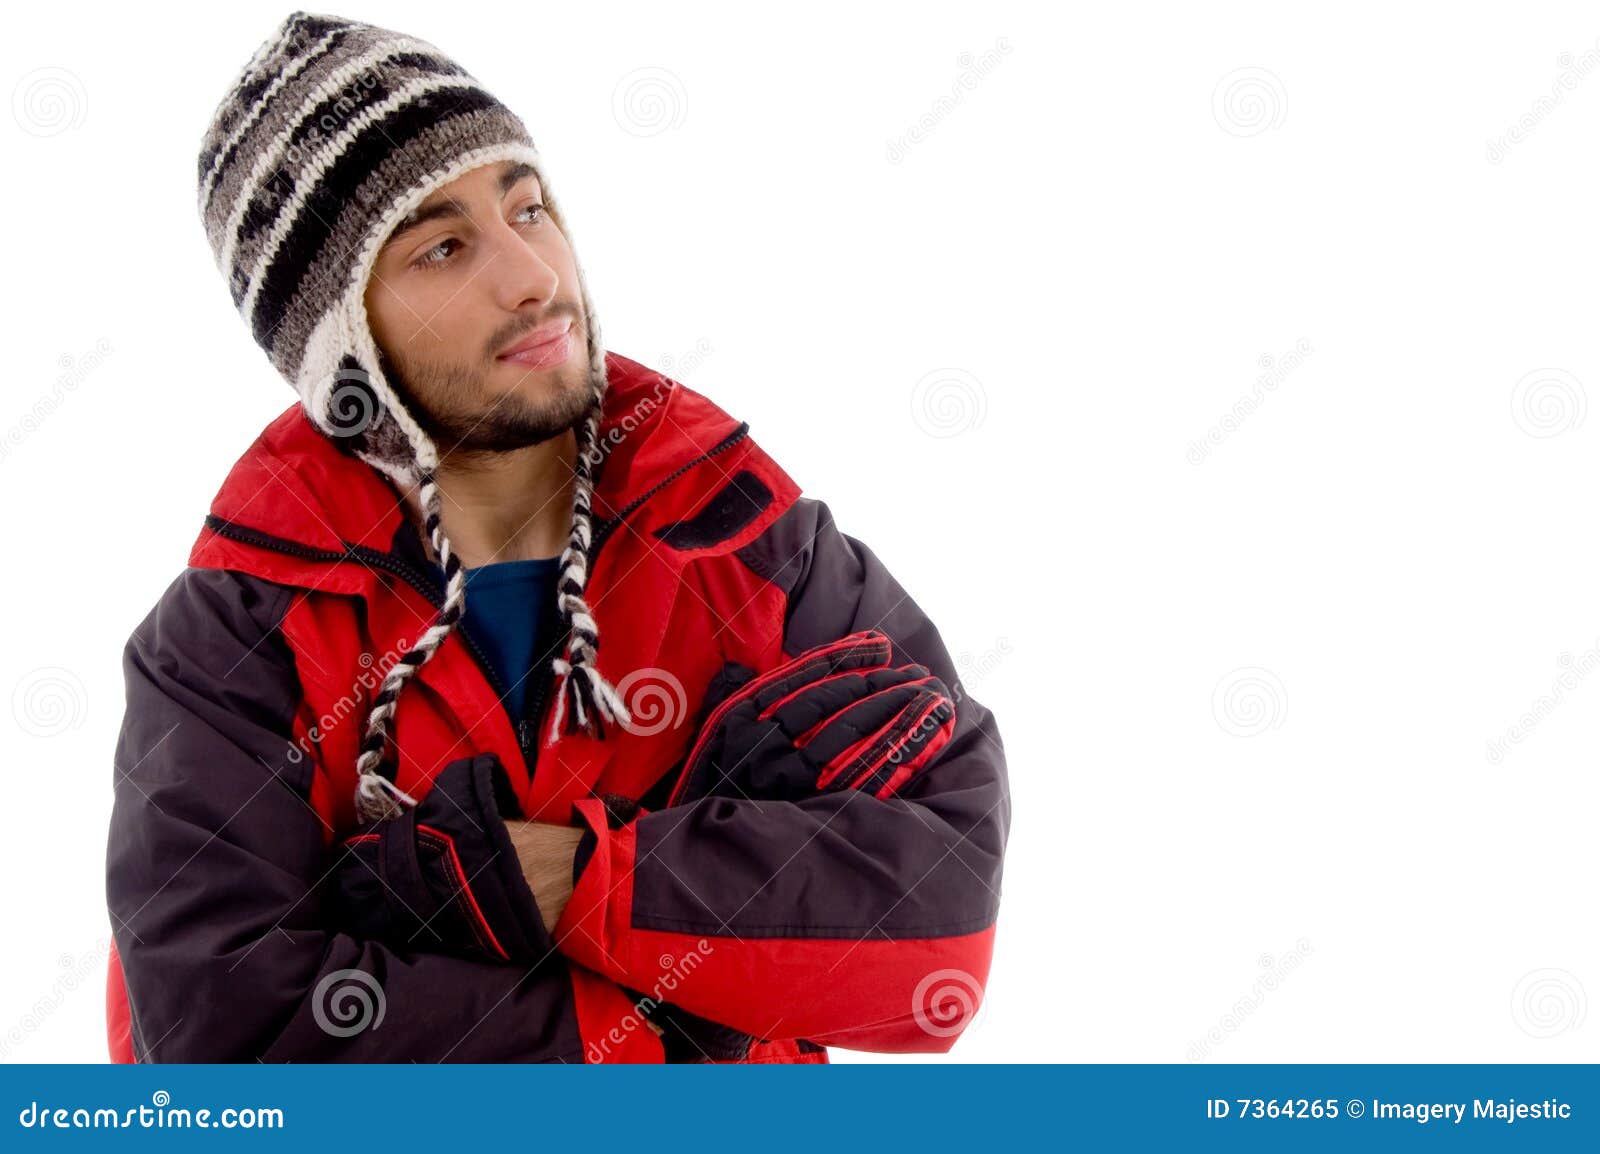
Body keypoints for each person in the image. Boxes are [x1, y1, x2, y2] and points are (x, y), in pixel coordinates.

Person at [104, 10, 1010, 1063]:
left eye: (528, 207)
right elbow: (227, 1041)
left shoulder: (753, 541)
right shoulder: (229, 640)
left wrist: (542, 876)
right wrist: (691, 1005)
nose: (532, 274)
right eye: (443, 246)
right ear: (340, 344)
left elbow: (938, 922)